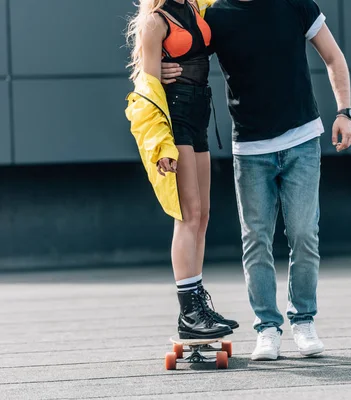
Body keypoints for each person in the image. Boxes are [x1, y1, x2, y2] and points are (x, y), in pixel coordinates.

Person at [162, 0, 351, 360]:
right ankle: (267, 327)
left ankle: (303, 320)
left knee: (303, 234)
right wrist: (158, 66)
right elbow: (185, 48)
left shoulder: (295, 4)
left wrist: (344, 111)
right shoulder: (216, 15)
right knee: (256, 240)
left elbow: (333, 56)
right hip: (250, 147)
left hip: (302, 139)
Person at [125, 0, 238, 340]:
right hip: (175, 117)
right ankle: (189, 311)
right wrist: (160, 145)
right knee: (187, 215)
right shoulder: (154, 23)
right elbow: (145, 90)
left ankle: (197, 305)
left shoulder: (195, 7)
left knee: (201, 216)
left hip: (199, 113)